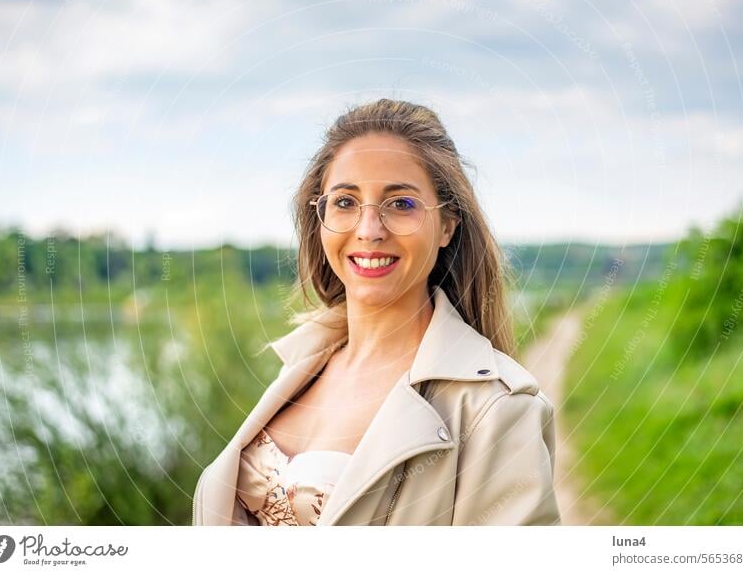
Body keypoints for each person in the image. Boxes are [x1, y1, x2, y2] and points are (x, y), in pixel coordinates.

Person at [192, 98, 561, 526]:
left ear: (447, 225)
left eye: (401, 204)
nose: (369, 231)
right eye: (346, 202)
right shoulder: (302, 365)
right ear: (320, 216)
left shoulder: (498, 411)